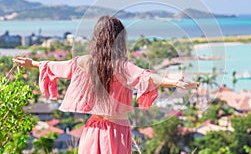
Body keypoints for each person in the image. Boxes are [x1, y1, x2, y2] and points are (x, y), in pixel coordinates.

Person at [13, 15, 199, 154]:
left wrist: (34, 64)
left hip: (92, 129)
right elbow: (147, 77)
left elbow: (55, 67)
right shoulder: (122, 66)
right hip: (116, 131)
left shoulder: (84, 62)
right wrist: (174, 82)